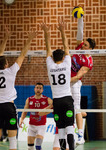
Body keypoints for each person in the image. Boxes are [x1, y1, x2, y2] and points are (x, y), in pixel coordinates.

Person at [0, 26, 38, 150]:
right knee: (12, 141)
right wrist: (30, 39)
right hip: (9, 107)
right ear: (6, 65)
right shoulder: (10, 71)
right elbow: (22, 54)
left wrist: (6, 38)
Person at [40, 22, 75, 150]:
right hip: (67, 99)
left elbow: (48, 49)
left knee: (60, 128)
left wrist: (46, 32)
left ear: (53, 58)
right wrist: (62, 31)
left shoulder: (50, 66)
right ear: (63, 57)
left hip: (57, 102)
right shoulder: (67, 64)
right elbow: (66, 46)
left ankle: (62, 148)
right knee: (69, 126)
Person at [70, 15, 96, 145]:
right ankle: (72, 129)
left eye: (85, 44)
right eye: (83, 43)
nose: (82, 45)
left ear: (90, 48)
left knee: (75, 108)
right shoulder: (79, 47)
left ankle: (80, 136)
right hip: (66, 79)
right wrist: (80, 19)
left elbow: (78, 76)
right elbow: (79, 33)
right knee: (70, 108)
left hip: (74, 82)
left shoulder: (89, 61)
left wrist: (66, 81)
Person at [19, 82, 53, 150]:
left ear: (42, 90)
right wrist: (22, 119)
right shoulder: (29, 99)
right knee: (30, 147)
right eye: (37, 88)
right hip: (31, 126)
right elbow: (25, 111)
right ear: (34, 89)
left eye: (40, 88)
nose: (38, 89)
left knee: (38, 146)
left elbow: (53, 105)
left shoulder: (46, 99)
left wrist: (46, 110)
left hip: (41, 126)